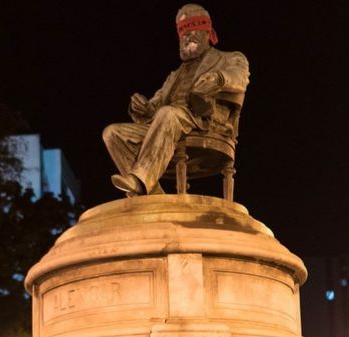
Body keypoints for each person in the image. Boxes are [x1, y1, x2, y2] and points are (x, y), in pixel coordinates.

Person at [103, 3, 250, 196]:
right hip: (170, 122)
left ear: (207, 33)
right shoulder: (174, 75)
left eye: (193, 30)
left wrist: (218, 78)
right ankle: (152, 195)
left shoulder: (229, 58)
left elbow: (239, 77)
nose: (187, 36)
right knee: (112, 133)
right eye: (183, 33)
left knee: (168, 113)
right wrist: (143, 108)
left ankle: (139, 179)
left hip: (205, 121)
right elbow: (155, 107)